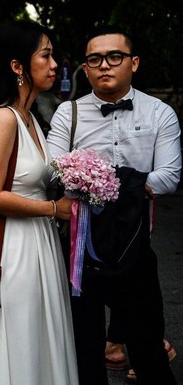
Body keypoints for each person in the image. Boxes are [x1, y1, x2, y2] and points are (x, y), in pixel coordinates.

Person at [47, 26, 180, 385]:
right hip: (78, 251)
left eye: (114, 57)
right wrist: (135, 183)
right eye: (95, 59)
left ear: (133, 63)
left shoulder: (160, 113)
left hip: (135, 248)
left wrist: (101, 182)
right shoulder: (67, 114)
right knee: (85, 352)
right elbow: (54, 169)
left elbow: (169, 176)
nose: (104, 65)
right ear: (86, 69)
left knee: (148, 349)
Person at [0, 20, 79, 384]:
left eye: (53, 55)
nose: (54, 63)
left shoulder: (31, 118)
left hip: (42, 244)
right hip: (15, 249)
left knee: (43, 334)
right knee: (22, 335)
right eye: (45, 55)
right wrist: (51, 208)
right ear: (18, 66)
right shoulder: (3, 118)